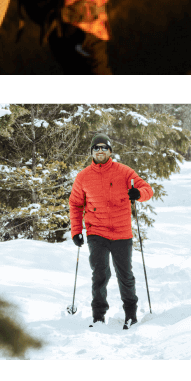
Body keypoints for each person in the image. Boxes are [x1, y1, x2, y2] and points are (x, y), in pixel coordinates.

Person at [69, 134, 153, 328]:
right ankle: (98, 317)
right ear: (91, 152)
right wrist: (76, 231)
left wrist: (139, 194)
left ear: (110, 151)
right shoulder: (83, 176)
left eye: (104, 148)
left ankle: (130, 315)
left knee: (125, 275)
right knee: (100, 274)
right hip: (96, 232)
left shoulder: (124, 172)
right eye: (96, 148)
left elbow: (147, 188)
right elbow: (75, 204)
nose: (100, 151)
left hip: (121, 232)